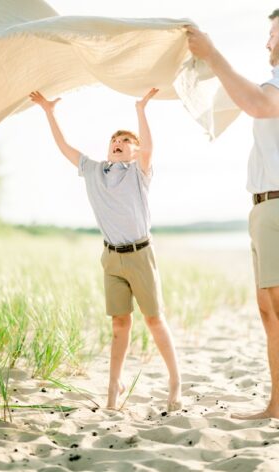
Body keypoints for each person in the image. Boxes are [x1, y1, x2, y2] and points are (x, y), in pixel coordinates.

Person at [29, 88, 183, 411]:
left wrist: (140, 109)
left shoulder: (138, 173)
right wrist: (48, 111)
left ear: (134, 152)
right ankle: (114, 386)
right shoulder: (94, 171)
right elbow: (65, 147)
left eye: (126, 140)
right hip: (111, 258)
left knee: (154, 320)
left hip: (141, 255)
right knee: (119, 325)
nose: (118, 142)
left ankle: (175, 380)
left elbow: (149, 147)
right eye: (114, 139)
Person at [187, 10, 279, 420]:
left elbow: (258, 103)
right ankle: (276, 406)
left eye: (274, 34)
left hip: (276, 207)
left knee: (277, 308)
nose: (267, 42)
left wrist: (212, 54)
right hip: (264, 207)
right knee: (269, 310)